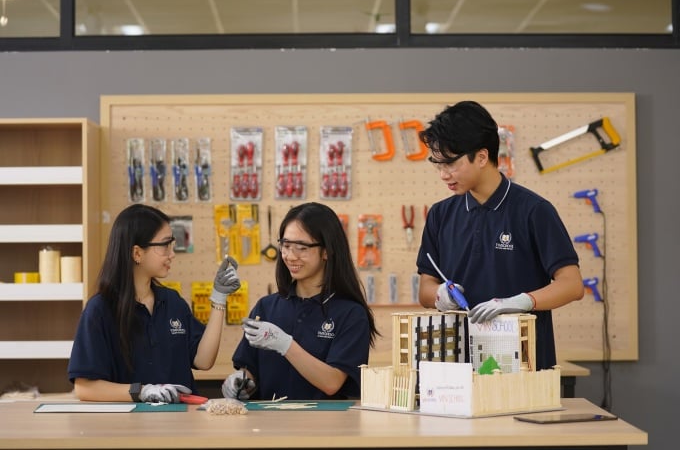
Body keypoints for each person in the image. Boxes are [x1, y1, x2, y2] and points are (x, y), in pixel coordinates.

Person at [416, 100, 584, 370]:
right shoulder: (439, 215)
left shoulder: (534, 211)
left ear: (481, 157)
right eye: (437, 165)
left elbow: (573, 286)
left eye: (450, 164)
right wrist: (439, 295)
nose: (443, 174)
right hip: (457, 368)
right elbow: (425, 289)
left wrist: (523, 302)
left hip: (523, 365)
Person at [68, 204, 241, 403]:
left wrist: (219, 299)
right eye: (165, 245)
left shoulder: (172, 301)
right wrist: (141, 392)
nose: (172, 254)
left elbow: (203, 361)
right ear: (137, 254)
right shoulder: (100, 310)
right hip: (129, 428)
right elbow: (85, 388)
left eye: (172, 244)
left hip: (181, 424)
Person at [222, 202, 379, 401]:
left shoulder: (350, 314)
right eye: (286, 246)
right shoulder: (266, 307)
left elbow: (332, 383)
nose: (290, 256)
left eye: (302, 248)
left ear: (326, 251)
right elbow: (250, 368)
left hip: (325, 427)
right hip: (269, 426)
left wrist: (285, 344)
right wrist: (241, 381)